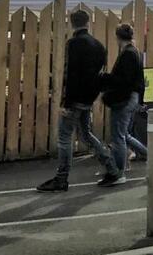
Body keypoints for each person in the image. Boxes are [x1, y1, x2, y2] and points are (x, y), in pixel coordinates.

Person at [37, 10, 119, 192]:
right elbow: (100, 75)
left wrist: (65, 102)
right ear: (88, 22)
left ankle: (61, 178)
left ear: (71, 23)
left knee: (65, 138)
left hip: (74, 98)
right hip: (88, 97)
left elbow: (70, 75)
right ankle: (112, 168)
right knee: (85, 134)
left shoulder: (73, 44)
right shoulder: (98, 45)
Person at [99, 23, 147, 185]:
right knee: (124, 133)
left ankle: (119, 171)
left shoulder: (127, 54)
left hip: (124, 98)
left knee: (118, 135)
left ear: (117, 37)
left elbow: (123, 80)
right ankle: (149, 154)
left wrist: (105, 78)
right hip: (132, 97)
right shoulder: (136, 53)